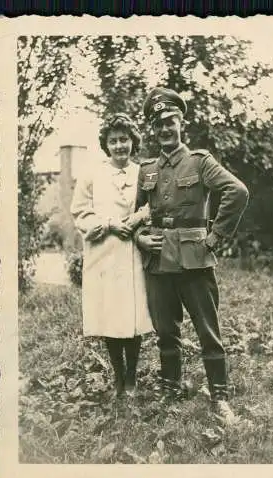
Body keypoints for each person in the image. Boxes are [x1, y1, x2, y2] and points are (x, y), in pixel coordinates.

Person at [134, 88, 249, 424]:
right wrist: (140, 238)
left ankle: (220, 398)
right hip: (157, 260)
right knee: (165, 330)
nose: (165, 129)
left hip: (194, 259)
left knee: (207, 330)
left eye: (170, 121)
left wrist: (215, 237)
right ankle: (171, 390)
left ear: (181, 121)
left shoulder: (200, 161)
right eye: (159, 125)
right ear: (153, 130)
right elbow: (137, 213)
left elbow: (236, 191)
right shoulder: (147, 169)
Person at [71, 113, 153, 397]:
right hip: (104, 253)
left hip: (133, 253)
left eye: (124, 140)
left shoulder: (143, 172)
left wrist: (138, 219)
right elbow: (79, 211)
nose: (119, 146)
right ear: (106, 144)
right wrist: (107, 224)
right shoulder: (92, 173)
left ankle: (132, 377)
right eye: (113, 141)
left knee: (132, 316)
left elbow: (154, 205)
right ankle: (118, 376)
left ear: (133, 142)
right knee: (110, 315)